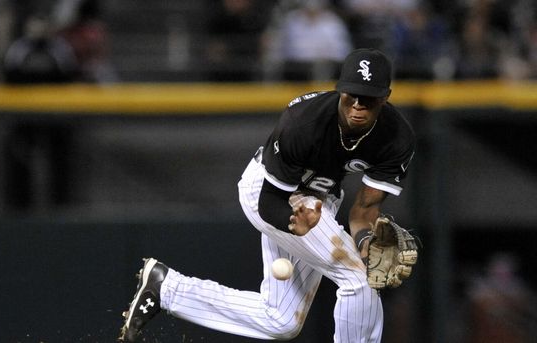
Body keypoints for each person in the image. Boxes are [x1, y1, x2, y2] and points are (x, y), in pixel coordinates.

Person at [119, 48, 416, 342]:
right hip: (270, 191)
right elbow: (268, 202)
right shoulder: (303, 122)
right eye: (351, 95)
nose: (357, 105)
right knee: (358, 280)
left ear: (385, 97)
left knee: (281, 320)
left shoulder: (397, 138)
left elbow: (363, 212)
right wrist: (289, 221)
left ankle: (167, 289)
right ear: (339, 90)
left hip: (320, 199)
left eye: (368, 99)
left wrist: (365, 243)